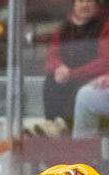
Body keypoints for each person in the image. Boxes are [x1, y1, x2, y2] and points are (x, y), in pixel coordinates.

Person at [45, 0, 109, 129]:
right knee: (51, 80)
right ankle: (53, 125)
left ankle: (69, 129)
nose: (84, 5)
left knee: (80, 89)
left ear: (96, 5)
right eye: (80, 1)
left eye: (89, 1)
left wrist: (73, 73)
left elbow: (104, 61)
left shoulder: (105, 27)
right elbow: (51, 54)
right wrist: (59, 67)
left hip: (94, 78)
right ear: (74, 4)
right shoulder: (63, 27)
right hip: (67, 75)